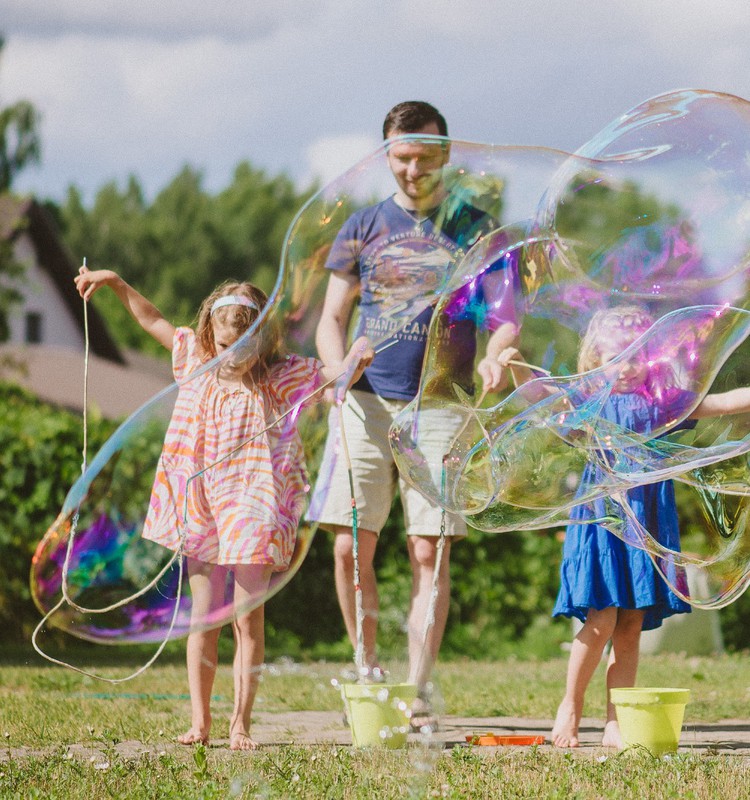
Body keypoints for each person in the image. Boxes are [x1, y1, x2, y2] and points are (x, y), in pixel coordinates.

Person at [74, 265, 373, 750]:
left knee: (246, 620)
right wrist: (116, 284)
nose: (234, 351)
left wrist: (356, 355)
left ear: (261, 338)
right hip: (204, 507)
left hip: (255, 510)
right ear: (211, 334)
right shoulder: (194, 363)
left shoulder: (278, 379)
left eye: (246, 340)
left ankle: (240, 723)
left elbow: (333, 374)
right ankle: (200, 722)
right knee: (204, 618)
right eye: (226, 338)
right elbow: (153, 321)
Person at [309, 100, 517, 722]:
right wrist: (335, 369)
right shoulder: (362, 227)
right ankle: (368, 671)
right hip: (364, 402)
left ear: (447, 153)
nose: (414, 168)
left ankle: (417, 689)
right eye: (403, 157)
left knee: (429, 551)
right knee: (350, 547)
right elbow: (330, 320)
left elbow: (505, 323)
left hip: (443, 405)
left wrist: (497, 356)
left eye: (426, 156)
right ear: (387, 155)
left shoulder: (482, 233)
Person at [499, 305, 750, 749]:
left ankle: (615, 719)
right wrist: (516, 363)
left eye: (637, 357)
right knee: (600, 622)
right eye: (617, 357)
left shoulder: (662, 401)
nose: (628, 366)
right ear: (596, 360)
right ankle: (570, 707)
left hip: (647, 523)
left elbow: (720, 403)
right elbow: (539, 395)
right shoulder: (589, 399)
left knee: (630, 625)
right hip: (602, 523)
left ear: (651, 359)